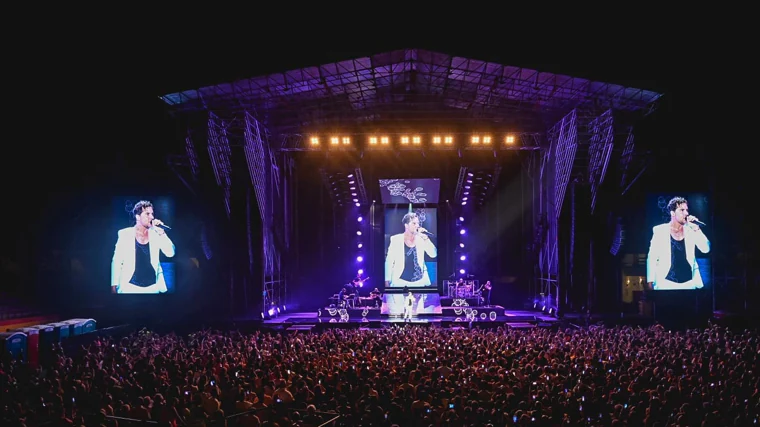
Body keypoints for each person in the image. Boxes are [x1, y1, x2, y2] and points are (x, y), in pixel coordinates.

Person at [111, 200, 176, 294]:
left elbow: (171, 253)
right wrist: (114, 284)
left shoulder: (156, 233)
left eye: (152, 214)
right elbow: (116, 261)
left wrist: (162, 233)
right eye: (147, 214)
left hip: (153, 287)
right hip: (130, 287)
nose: (152, 217)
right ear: (138, 216)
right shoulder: (124, 234)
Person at [646, 197, 710, 290]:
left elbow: (706, 249)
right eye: (682, 210)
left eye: (687, 210)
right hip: (666, 283)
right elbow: (652, 257)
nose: (686, 213)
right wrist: (650, 281)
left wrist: (697, 229)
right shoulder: (660, 230)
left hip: (689, 283)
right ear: (672, 213)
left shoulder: (691, 230)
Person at [384, 212, 437, 287]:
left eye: (418, 223)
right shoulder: (396, 239)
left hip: (420, 282)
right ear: (406, 225)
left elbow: (433, 254)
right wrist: (387, 280)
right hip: (400, 281)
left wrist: (426, 239)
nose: (417, 226)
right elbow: (389, 261)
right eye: (414, 223)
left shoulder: (421, 239)